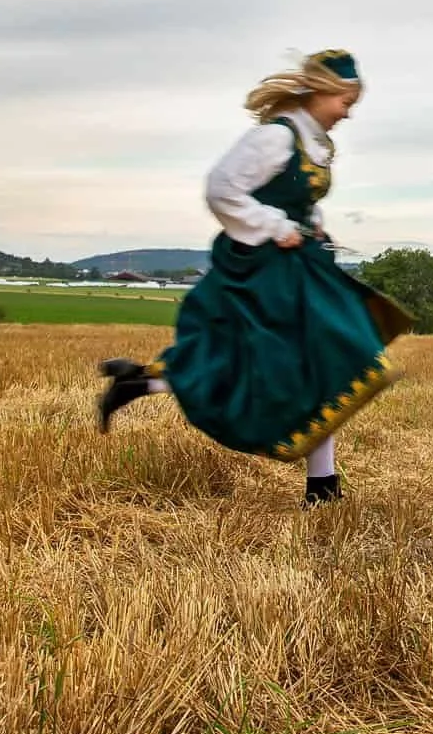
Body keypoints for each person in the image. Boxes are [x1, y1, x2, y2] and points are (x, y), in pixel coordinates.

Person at [96, 50, 411, 507]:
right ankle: (142, 383)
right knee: (295, 364)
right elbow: (221, 188)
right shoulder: (275, 138)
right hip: (264, 270)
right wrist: (275, 226)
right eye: (345, 102)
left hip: (298, 265)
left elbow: (296, 199)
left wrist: (311, 224)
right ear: (320, 92)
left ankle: (321, 485)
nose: (347, 113)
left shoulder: (311, 141)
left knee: (319, 366)